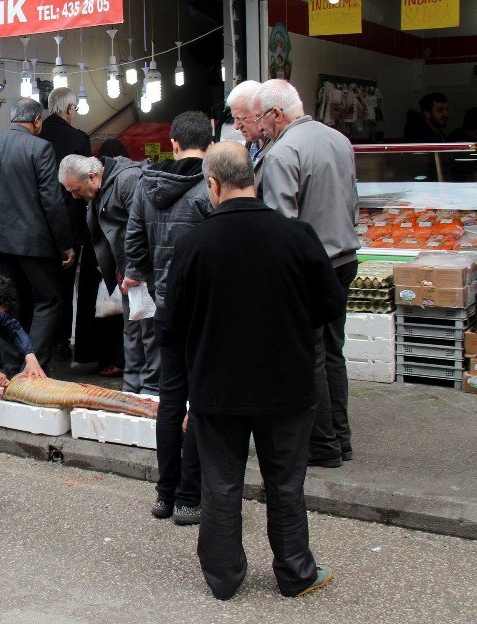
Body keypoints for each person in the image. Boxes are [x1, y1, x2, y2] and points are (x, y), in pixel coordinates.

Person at [162, 141, 344, 601]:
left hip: (216, 388)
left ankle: (223, 578)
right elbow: (329, 305)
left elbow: (172, 325)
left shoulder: (193, 244)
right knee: (286, 483)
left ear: (213, 185)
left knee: (221, 484)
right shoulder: (297, 236)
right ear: (255, 180)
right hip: (286, 385)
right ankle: (296, 573)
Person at [254, 79, 360, 468]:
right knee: (334, 350)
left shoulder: (283, 152)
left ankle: (323, 444)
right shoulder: (339, 140)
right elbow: (352, 200)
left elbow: (283, 226)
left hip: (311, 265)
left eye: (263, 119)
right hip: (345, 258)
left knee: (311, 354)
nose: (261, 128)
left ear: (277, 114)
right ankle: (342, 439)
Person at [124, 111, 214, 526]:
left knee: (170, 400)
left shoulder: (147, 185)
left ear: (173, 143)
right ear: (210, 143)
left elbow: (134, 243)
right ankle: (190, 498)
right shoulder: (211, 187)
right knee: (201, 402)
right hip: (205, 309)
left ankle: (165, 494)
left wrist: (153, 281)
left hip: (166, 306)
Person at [0, 97, 75, 376]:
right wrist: (65, 244)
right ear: (37, 121)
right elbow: (52, 201)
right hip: (34, 243)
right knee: (49, 299)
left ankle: (12, 364)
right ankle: (35, 365)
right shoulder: (40, 148)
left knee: (7, 302)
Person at [57, 153, 156, 395]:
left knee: (149, 333)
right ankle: (133, 388)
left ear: (92, 177)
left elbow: (144, 226)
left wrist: (133, 269)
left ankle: (152, 389)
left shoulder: (128, 179)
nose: (74, 196)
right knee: (132, 331)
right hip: (128, 271)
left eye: (76, 189)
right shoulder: (101, 187)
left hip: (144, 272)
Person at [38, 87, 92, 363]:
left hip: (36, 227)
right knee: (65, 282)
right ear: (70, 109)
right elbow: (87, 183)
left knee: (40, 283)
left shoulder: (36, 136)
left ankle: (39, 342)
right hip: (70, 223)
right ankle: (61, 342)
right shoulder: (77, 139)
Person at [226, 80, 270, 174]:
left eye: (241, 118)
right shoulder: (251, 144)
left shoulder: (278, 152)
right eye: (234, 118)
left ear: (260, 113)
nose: (236, 126)